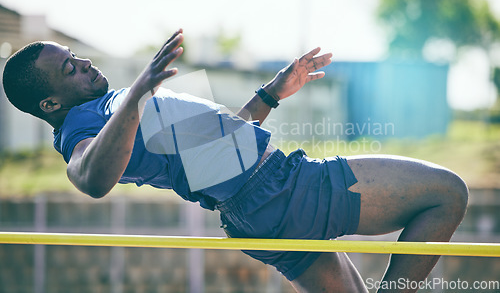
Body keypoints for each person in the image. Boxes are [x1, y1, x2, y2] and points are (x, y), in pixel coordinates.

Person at [2, 29, 468, 293]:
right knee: (447, 193)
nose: (83, 65)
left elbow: (223, 151)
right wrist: (139, 93)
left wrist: (270, 94)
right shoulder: (85, 130)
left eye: (77, 57)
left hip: (258, 207)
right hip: (285, 190)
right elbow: (91, 178)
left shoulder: (116, 111)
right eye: (69, 69)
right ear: (49, 104)